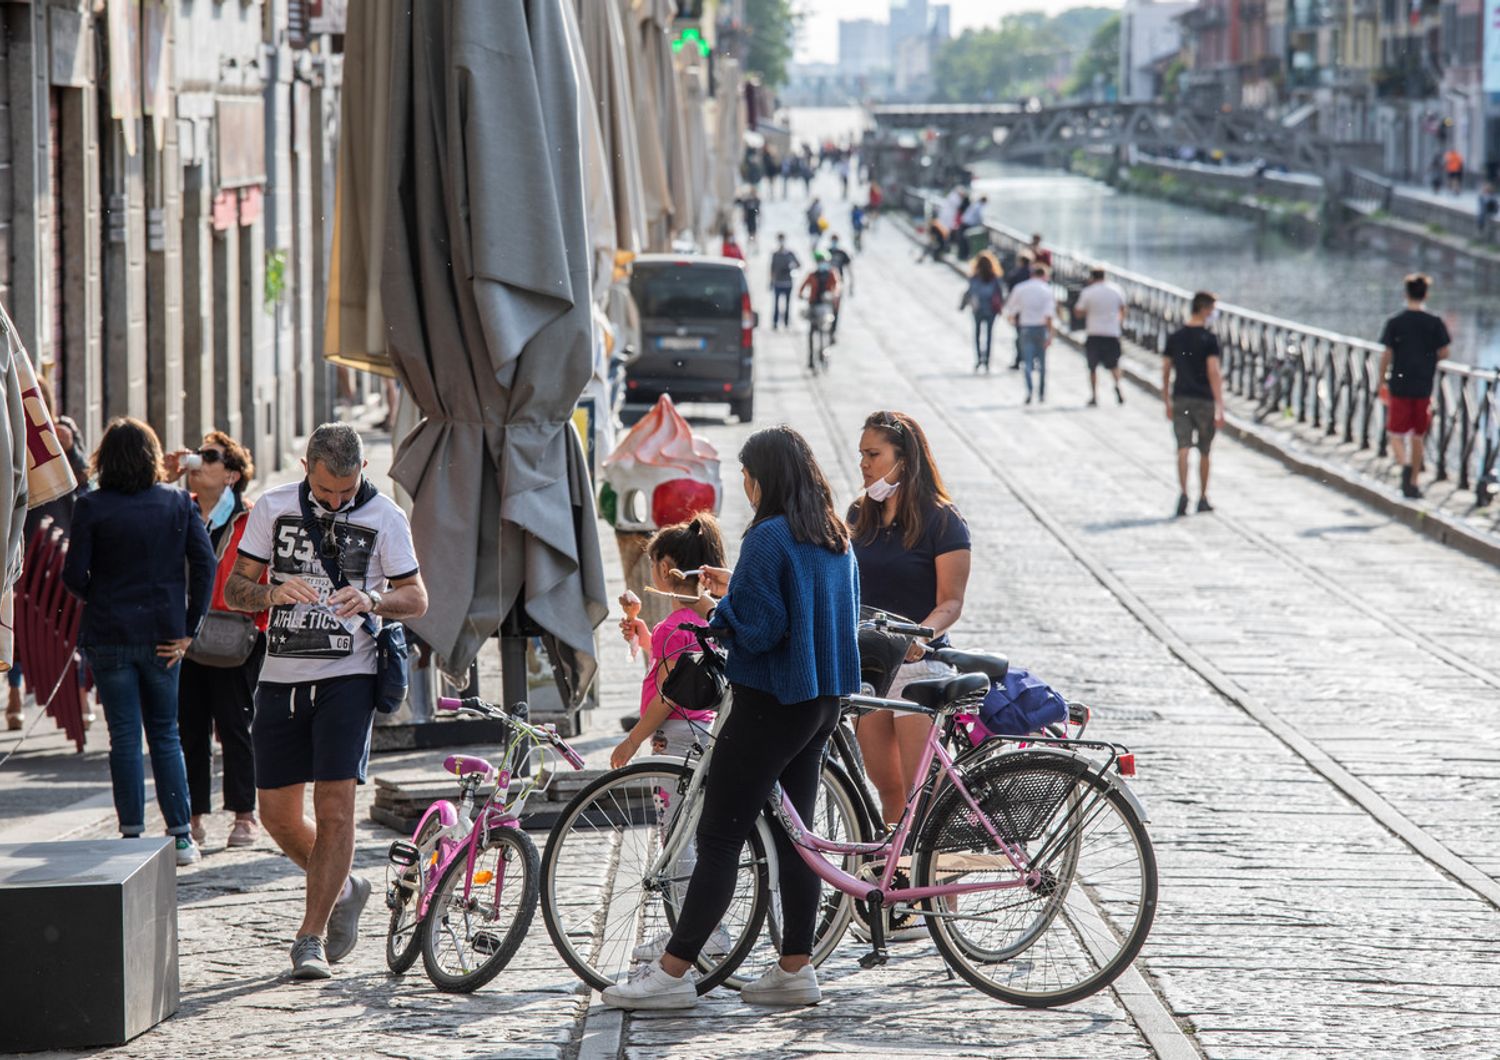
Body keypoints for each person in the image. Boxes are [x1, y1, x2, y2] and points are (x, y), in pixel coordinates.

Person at [601, 426, 860, 1011]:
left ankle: (672, 974)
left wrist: (723, 611)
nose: (744, 487)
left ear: (762, 478)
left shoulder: (769, 536)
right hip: (821, 705)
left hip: (771, 702)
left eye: (747, 476)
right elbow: (798, 610)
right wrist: (735, 588)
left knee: (718, 834)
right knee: (800, 841)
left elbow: (762, 627)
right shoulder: (835, 537)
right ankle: (796, 967)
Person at [224, 423, 428, 980]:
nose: (337, 500)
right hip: (280, 678)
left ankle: (309, 938)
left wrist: (372, 597)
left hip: (350, 677)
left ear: (363, 469)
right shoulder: (271, 507)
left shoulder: (386, 516)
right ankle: (345, 888)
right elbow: (233, 590)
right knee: (278, 817)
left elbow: (416, 597)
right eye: (326, 490)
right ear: (305, 464)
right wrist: (271, 592)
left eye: (347, 489)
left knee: (334, 809)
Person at [62, 418, 216, 866]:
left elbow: (74, 575)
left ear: (104, 460)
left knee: (124, 737)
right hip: (165, 635)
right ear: (152, 457)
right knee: (166, 734)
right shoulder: (177, 503)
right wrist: (190, 627)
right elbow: (204, 566)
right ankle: (182, 836)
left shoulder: (92, 506)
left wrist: (101, 596)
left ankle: (132, 833)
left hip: (110, 632)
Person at [848, 411, 970, 829]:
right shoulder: (857, 515)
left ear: (904, 458)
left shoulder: (943, 519)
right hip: (872, 669)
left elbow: (951, 602)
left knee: (928, 800)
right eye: (861, 454)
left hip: (921, 666)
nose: (863, 464)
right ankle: (898, 886)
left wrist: (922, 634)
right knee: (888, 791)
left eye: (873, 454)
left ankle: (940, 892)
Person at [165, 432, 268, 851]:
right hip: (186, 634)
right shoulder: (177, 510)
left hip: (236, 633)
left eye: (210, 457)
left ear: (231, 474)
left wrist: (257, 620)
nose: (198, 461)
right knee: (189, 726)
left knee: (235, 724)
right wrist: (164, 474)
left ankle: (245, 815)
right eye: (198, 455)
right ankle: (193, 816)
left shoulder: (249, 517)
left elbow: (266, 572)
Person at [7, 378, 91, 731]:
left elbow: (85, 489)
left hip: (59, 543)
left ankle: (80, 693)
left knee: (70, 624)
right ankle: (14, 692)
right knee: (19, 626)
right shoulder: (7, 433)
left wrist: (70, 450)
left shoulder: (61, 432)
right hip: (18, 544)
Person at [612, 513, 727, 770]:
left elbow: (668, 696)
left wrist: (632, 741)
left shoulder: (673, 629)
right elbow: (688, 670)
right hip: (701, 727)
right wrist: (647, 641)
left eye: (652, 563)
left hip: (674, 737)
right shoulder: (709, 620)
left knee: (672, 810)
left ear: (664, 568)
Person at [1377, 273, 1451, 499]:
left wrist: (1381, 380)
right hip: (1423, 384)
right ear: (1426, 294)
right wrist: (1427, 361)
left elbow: (1387, 354)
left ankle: (1405, 465)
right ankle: (1414, 481)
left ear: (1405, 293)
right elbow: (1445, 352)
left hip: (1400, 383)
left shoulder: (1395, 322)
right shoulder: (1434, 322)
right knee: (1418, 435)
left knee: (1395, 432)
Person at [1162, 291, 1226, 516]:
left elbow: (1166, 369)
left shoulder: (1176, 336)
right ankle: (1203, 496)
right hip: (1204, 400)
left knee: (1182, 448)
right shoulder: (1208, 339)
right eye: (1213, 309)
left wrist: (1166, 399)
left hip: (1180, 397)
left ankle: (1183, 493)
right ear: (1205, 309)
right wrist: (1220, 405)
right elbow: (1213, 372)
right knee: (1205, 450)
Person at [1074, 267, 1128, 406]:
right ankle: (1117, 385)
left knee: (1092, 367)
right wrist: (1119, 323)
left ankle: (1094, 395)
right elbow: (1123, 309)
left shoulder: (1088, 292)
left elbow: (1078, 312)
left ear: (1092, 277)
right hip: (1112, 332)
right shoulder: (1116, 290)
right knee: (1114, 365)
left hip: (1094, 332)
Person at [1003, 263, 1055, 404]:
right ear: (1044, 275)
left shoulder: (1021, 288)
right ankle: (1042, 393)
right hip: (1041, 328)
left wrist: (1013, 319)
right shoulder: (1047, 290)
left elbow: (1011, 307)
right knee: (1042, 363)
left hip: (1025, 327)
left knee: (1027, 362)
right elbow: (1049, 315)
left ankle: (1030, 391)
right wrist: (1050, 334)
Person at [959, 252, 1004, 373]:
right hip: (991, 310)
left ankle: (979, 359)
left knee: (978, 334)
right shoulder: (994, 278)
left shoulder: (975, 278)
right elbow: (1000, 294)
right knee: (989, 335)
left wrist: (962, 305)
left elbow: (969, 292)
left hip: (977, 309)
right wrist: (1001, 307)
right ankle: (987, 361)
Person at [1002, 252, 1035, 370]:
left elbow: (1010, 293)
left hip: (1019, 310)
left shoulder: (1015, 275)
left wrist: (1010, 311)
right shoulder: (1033, 275)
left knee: (1020, 335)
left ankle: (1018, 359)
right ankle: (1030, 359)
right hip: (1033, 310)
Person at [798, 253, 841, 343]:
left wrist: (833, 294)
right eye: (820, 261)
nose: (822, 263)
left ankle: (831, 335)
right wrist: (801, 294)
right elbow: (803, 285)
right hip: (814, 302)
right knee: (811, 321)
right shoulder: (813, 275)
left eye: (823, 261)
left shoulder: (831, 274)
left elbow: (837, 285)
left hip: (826, 302)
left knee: (831, 317)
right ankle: (811, 350)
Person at [769, 233, 801, 330]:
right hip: (778, 282)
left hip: (788, 282)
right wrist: (771, 281)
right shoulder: (775, 254)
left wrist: (791, 267)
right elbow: (772, 269)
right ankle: (775, 322)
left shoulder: (790, 254)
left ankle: (786, 322)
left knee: (787, 304)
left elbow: (798, 264)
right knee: (776, 304)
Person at [826, 234, 853, 310]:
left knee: (836, 302)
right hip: (826, 279)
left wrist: (851, 284)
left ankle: (834, 318)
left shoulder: (842, 253)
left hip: (838, 280)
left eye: (835, 240)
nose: (834, 242)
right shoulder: (827, 251)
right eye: (833, 240)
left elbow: (849, 268)